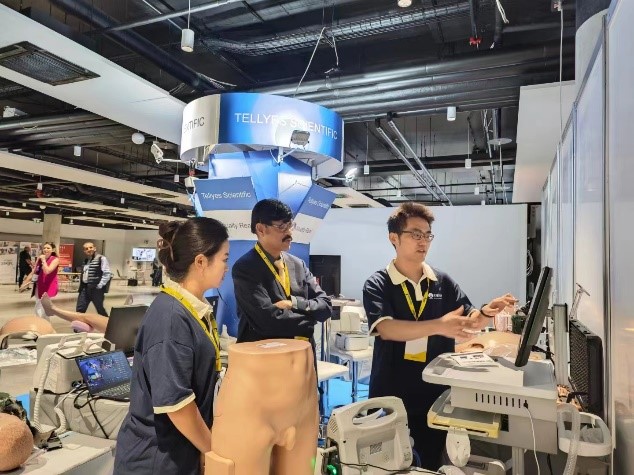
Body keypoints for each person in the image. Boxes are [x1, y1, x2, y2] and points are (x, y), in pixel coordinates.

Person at [362, 202, 516, 470]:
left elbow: (469, 321)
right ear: (394, 238)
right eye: (415, 234)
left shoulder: (441, 281)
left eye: (427, 235)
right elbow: (386, 329)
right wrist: (439, 326)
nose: (423, 241)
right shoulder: (378, 283)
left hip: (435, 392)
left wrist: (486, 313)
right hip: (392, 391)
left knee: (432, 461)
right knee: (392, 464)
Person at [114, 217, 229, 475]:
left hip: (179, 453)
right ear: (201, 262)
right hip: (157, 460)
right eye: (224, 259)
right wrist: (212, 451)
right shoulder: (171, 318)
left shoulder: (190, 310)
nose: (227, 267)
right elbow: (177, 406)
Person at [232, 199, 332, 351]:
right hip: (267, 357)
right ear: (260, 229)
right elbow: (268, 322)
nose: (289, 233)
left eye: (290, 225)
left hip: (302, 355)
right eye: (281, 227)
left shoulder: (298, 264)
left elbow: (326, 306)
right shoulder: (245, 268)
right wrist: (311, 319)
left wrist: (294, 303)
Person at [19, 243, 60, 317]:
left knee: (41, 309)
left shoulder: (55, 259)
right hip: (39, 286)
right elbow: (33, 272)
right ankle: (43, 323)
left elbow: (47, 271)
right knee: (38, 308)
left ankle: (43, 323)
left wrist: (43, 260)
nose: (45, 249)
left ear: (53, 250)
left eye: (48, 248)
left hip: (48, 287)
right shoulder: (39, 259)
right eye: (44, 248)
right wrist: (24, 283)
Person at [76, 242, 112, 317]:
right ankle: (78, 325)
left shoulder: (101, 258)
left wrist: (100, 285)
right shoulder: (86, 260)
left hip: (96, 289)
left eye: (90, 247)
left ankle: (107, 323)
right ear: (84, 251)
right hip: (84, 289)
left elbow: (107, 273)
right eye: (86, 249)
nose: (89, 249)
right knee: (80, 310)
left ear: (95, 248)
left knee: (100, 310)